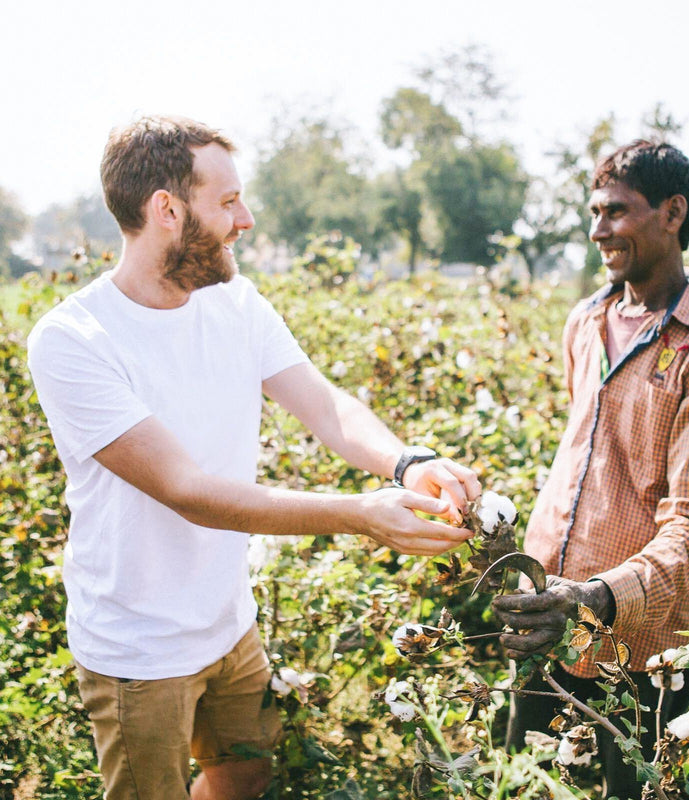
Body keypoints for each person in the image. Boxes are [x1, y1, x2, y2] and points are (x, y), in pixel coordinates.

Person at [26, 115, 481, 800]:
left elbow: (325, 406)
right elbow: (188, 490)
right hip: (139, 649)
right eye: (229, 201)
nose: (247, 218)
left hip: (229, 622)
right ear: (167, 210)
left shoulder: (233, 301)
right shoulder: (73, 340)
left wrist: (407, 463)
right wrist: (362, 515)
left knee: (243, 774)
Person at [492, 140, 689, 799]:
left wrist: (595, 599)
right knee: (517, 780)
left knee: (631, 786)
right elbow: (585, 456)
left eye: (616, 212)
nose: (597, 230)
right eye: (593, 211)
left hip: (641, 652)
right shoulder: (586, 320)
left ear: (673, 213)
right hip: (545, 618)